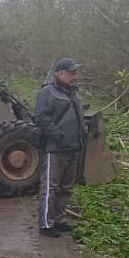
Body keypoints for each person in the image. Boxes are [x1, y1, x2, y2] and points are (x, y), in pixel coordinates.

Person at [34, 58, 87, 238]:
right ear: (60, 73)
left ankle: (59, 219)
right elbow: (41, 118)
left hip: (73, 148)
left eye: (75, 73)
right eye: (72, 73)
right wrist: (59, 136)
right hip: (55, 148)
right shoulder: (47, 92)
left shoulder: (74, 93)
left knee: (66, 188)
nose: (75, 76)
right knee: (50, 187)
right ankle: (46, 224)